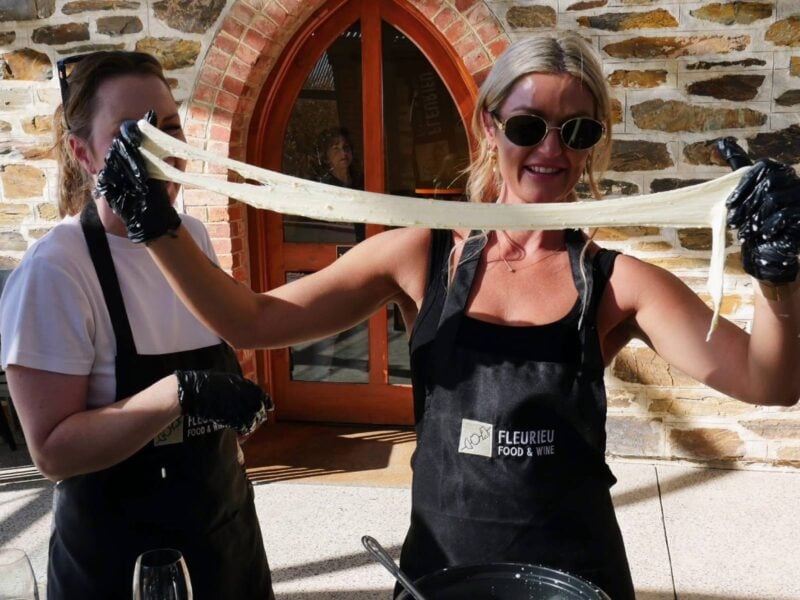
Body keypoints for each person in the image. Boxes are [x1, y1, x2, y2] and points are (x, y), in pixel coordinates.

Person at [100, 33, 800, 599]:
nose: (552, 150)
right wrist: (155, 226)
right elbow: (253, 322)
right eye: (529, 125)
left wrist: (781, 280)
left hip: (574, 578)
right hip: (440, 572)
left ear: (595, 142)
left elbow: (767, 380)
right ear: (489, 125)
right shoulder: (416, 256)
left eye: (576, 129)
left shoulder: (619, 283)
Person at [0, 51, 274, 599]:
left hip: (225, 540)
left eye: (169, 131)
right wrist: (181, 393)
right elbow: (52, 451)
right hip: (117, 564)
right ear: (83, 153)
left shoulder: (191, 238)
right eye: (134, 136)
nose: (159, 153)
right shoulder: (58, 268)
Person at [316, 126, 366, 241]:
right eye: (336, 149)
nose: (343, 153)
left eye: (346, 147)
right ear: (326, 156)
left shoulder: (362, 181)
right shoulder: (323, 187)